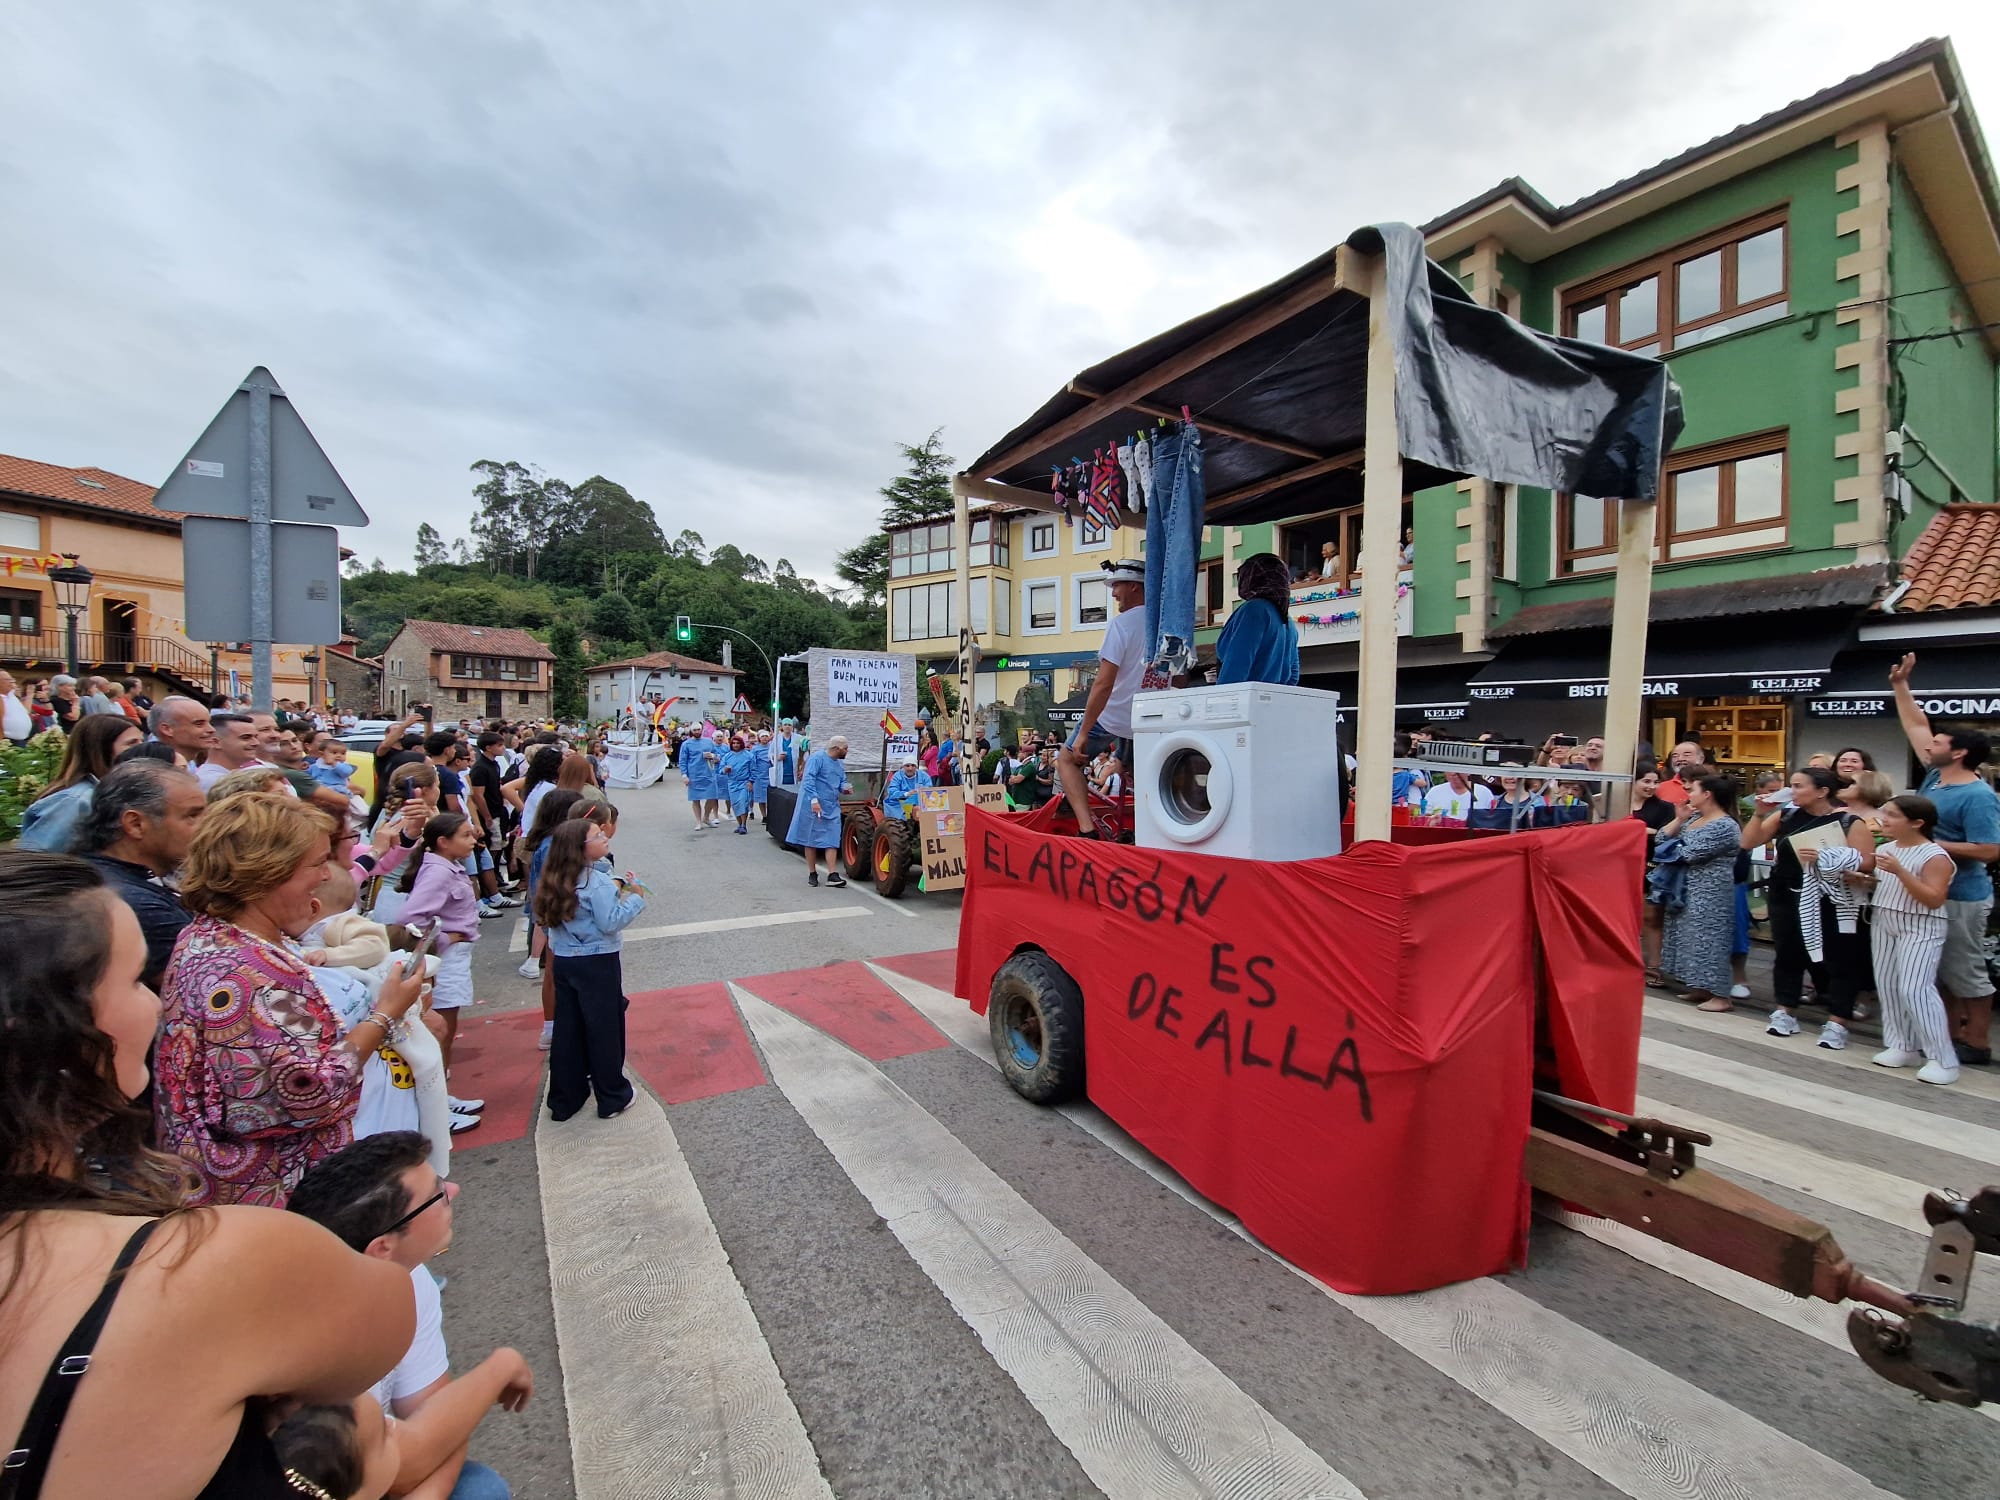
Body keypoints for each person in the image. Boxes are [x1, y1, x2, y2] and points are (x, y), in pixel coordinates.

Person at [0, 851, 422, 1500]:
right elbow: (385, 1325)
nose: (164, 1007)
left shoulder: (206, 945)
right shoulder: (208, 1263)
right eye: (140, 980)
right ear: (63, 1032)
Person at [154, 793, 428, 1206]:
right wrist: (385, 1014)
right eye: (317, 864)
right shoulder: (243, 974)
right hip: (272, 1192)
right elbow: (307, 1091)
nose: (326, 877)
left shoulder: (212, 936)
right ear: (268, 873)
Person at [287, 1134, 533, 1498]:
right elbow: (394, 1467)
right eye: (437, 1195)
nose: (454, 1189)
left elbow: (439, 1423)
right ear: (382, 1248)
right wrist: (500, 1368)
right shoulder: (310, 1348)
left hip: (376, 1469)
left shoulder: (409, 1275)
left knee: (481, 1488)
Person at [1891, 652, 2000, 1065]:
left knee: (1963, 967)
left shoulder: (1978, 796)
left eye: (1939, 742)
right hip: (1927, 889)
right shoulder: (1937, 776)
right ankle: (1947, 1032)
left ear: (1957, 754)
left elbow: (1990, 850)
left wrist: (1924, 843)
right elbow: (1917, 724)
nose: (1929, 742)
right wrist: (1901, 685)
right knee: (1937, 968)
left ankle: (1977, 1041)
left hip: (1962, 894)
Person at [1740, 766, 1874, 1044]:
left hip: (1832, 895)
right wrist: (1760, 812)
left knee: (1839, 956)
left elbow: (1866, 860)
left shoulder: (1850, 821)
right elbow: (1749, 841)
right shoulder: (1786, 814)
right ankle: (1784, 1010)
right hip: (1786, 891)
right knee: (1788, 952)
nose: (1792, 791)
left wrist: (1829, 857)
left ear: (1822, 791)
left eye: (1799, 786)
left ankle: (1838, 1019)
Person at [535, 816, 645, 1120]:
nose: (604, 838)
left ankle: (565, 1098)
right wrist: (636, 898)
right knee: (605, 1028)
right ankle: (612, 1095)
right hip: (598, 961)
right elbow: (610, 922)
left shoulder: (555, 877)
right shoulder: (595, 882)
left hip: (567, 960)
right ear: (580, 848)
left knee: (568, 1029)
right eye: (597, 836)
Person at [394, 812, 486, 1130]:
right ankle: (434, 1111)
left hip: (452, 957)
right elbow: (411, 918)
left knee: (446, 1027)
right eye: (465, 835)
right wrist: (448, 937)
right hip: (443, 959)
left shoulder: (446, 866)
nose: (473, 839)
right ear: (443, 842)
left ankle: (441, 1097)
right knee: (439, 1032)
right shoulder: (438, 872)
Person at [78, 759, 205, 989]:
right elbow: (207, 991)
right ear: (135, 824)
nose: (207, 827)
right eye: (192, 816)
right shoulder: (136, 904)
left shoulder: (108, 874)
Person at [1059, 558, 1162, 839]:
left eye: (1116, 585)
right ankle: (1155, 832)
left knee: (1066, 761)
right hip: (1153, 718)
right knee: (1149, 776)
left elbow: (1103, 684)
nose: (1113, 592)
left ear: (1134, 586)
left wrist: (1083, 732)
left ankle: (1087, 829)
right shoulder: (1166, 621)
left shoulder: (1122, 624)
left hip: (1115, 717)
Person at [1868, 794, 1961, 1085]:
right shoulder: (1889, 848)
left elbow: (1933, 898)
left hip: (1921, 925)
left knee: (1915, 989)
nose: (1885, 820)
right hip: (1884, 919)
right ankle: (1902, 1044)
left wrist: (1900, 871)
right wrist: (1862, 880)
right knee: (1888, 985)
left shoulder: (1934, 855)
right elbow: (1886, 884)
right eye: (1885, 813)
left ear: (1917, 823)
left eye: (1893, 815)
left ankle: (1943, 1058)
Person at [1657, 775, 1743, 1009]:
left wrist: (1674, 845)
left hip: (1712, 890)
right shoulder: (1695, 817)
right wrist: (1679, 820)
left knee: (1711, 940)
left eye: (1693, 790)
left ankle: (1721, 995)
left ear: (1707, 794)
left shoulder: (1725, 825)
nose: (1688, 794)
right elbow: (1661, 839)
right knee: (1689, 938)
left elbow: (1689, 853)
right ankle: (1700, 987)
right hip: (1686, 887)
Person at [16, 713, 141, 851]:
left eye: (141, 742)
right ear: (100, 749)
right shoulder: (74, 802)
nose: (141, 750)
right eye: (131, 743)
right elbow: (38, 861)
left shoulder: (113, 793)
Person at [1215, 553, 1301, 687]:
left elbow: (1236, 666)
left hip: (1243, 700)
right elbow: (1292, 676)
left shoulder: (1254, 610)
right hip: (1272, 700)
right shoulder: (1288, 622)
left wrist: (1221, 701)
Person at [787, 734, 852, 887]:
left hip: (831, 805)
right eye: (846, 748)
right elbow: (808, 779)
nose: (847, 751)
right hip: (814, 804)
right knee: (811, 838)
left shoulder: (839, 764)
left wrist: (845, 788)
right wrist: (814, 800)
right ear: (837, 748)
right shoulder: (817, 759)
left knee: (832, 838)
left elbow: (841, 781)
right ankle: (812, 872)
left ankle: (832, 874)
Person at [679, 729, 723, 830]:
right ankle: (698, 822)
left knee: (712, 796)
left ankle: (706, 817)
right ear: (691, 731)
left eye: (698, 729)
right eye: (695, 730)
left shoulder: (708, 742)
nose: (697, 731)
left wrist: (712, 756)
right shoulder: (686, 744)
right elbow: (682, 760)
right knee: (695, 799)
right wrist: (684, 775)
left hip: (709, 774)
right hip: (694, 775)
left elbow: (718, 757)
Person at [720, 731, 758, 833]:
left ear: (741, 744)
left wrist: (751, 781)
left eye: (738, 743)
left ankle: (744, 825)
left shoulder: (748, 755)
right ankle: (739, 824)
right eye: (734, 743)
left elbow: (753, 770)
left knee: (743, 802)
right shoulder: (727, 756)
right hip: (732, 783)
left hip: (744, 783)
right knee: (735, 804)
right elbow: (720, 770)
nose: (736, 745)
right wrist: (725, 770)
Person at [1421, 771, 1495, 820]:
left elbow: (1491, 820)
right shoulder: (1435, 792)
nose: (1453, 774)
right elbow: (1425, 817)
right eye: (1449, 769)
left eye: (1458, 770)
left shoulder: (1484, 792)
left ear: (1468, 772)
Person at [0, 667, 32, 746]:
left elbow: (26, 712)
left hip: (22, 740)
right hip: (7, 742)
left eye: (12, 679)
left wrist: (30, 695)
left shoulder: (12, 695)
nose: (12, 682)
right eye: (7, 680)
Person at [747, 729, 772, 822]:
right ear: (759, 738)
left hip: (770, 775)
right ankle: (764, 816)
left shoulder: (773, 747)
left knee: (770, 797)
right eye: (763, 736)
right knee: (762, 797)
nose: (765, 738)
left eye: (766, 736)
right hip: (759, 776)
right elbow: (752, 763)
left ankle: (771, 815)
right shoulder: (755, 749)